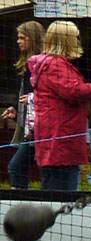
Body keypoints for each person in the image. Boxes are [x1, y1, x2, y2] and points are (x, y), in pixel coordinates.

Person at [28, 21, 91, 190]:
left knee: (57, 186)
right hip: (60, 137)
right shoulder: (56, 65)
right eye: (75, 38)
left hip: (57, 135)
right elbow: (74, 91)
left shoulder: (50, 63)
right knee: (61, 192)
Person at [1, 21, 45, 189]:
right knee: (19, 167)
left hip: (39, 128)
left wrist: (33, 99)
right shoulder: (27, 64)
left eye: (22, 38)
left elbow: (46, 92)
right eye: (17, 38)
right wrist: (16, 108)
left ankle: (21, 203)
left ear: (33, 39)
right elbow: (24, 94)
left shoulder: (41, 63)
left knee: (16, 166)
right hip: (30, 127)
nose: (18, 41)